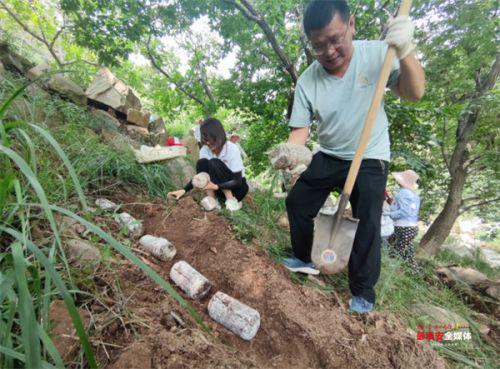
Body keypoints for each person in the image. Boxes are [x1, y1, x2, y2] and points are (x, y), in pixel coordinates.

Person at [281, 0, 425, 313]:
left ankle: (363, 293)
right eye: (319, 46)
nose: (329, 51)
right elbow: (300, 132)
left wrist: (406, 50)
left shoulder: (378, 54)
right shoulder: (308, 80)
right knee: (297, 202)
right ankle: (305, 258)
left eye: (335, 39)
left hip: (370, 155)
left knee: (368, 222)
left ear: (351, 25)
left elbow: (414, 92)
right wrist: (290, 153)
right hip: (330, 154)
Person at [168, 118, 249, 211]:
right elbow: (202, 174)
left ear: (219, 135)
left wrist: (216, 186)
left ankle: (232, 202)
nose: (208, 143)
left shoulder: (232, 148)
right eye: (206, 139)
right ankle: (212, 200)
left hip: (238, 189)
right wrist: (184, 189)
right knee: (202, 162)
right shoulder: (205, 150)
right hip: (218, 189)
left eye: (211, 139)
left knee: (214, 162)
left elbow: (237, 181)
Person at [389, 169, 421, 272]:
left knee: (395, 250)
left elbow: (405, 211)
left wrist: (389, 214)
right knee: (409, 253)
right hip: (411, 227)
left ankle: (390, 270)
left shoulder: (403, 193)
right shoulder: (414, 195)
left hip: (403, 227)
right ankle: (415, 273)